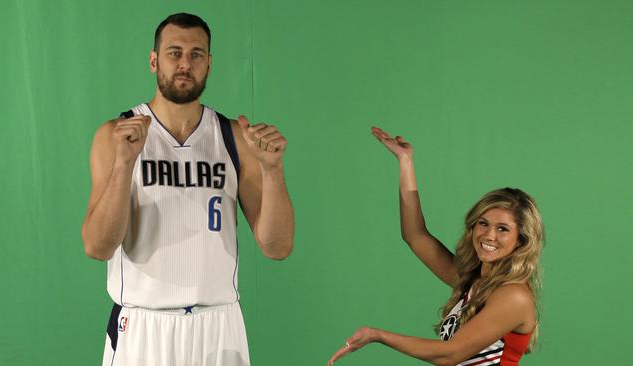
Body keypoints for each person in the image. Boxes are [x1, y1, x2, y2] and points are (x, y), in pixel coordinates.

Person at [81, 13, 294, 366]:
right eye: (174, 53)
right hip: (144, 325)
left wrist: (272, 170)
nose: (185, 63)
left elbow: (278, 247)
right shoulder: (116, 134)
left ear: (209, 64)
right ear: (154, 61)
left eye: (196, 55)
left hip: (220, 324)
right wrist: (124, 166)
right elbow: (98, 246)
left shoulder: (235, 138)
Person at [328, 127, 543, 366]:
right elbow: (415, 235)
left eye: (503, 229)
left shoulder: (514, 295)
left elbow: (449, 354)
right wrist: (405, 161)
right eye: (483, 223)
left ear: (521, 240)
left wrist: (378, 335)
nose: (489, 235)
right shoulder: (473, 281)